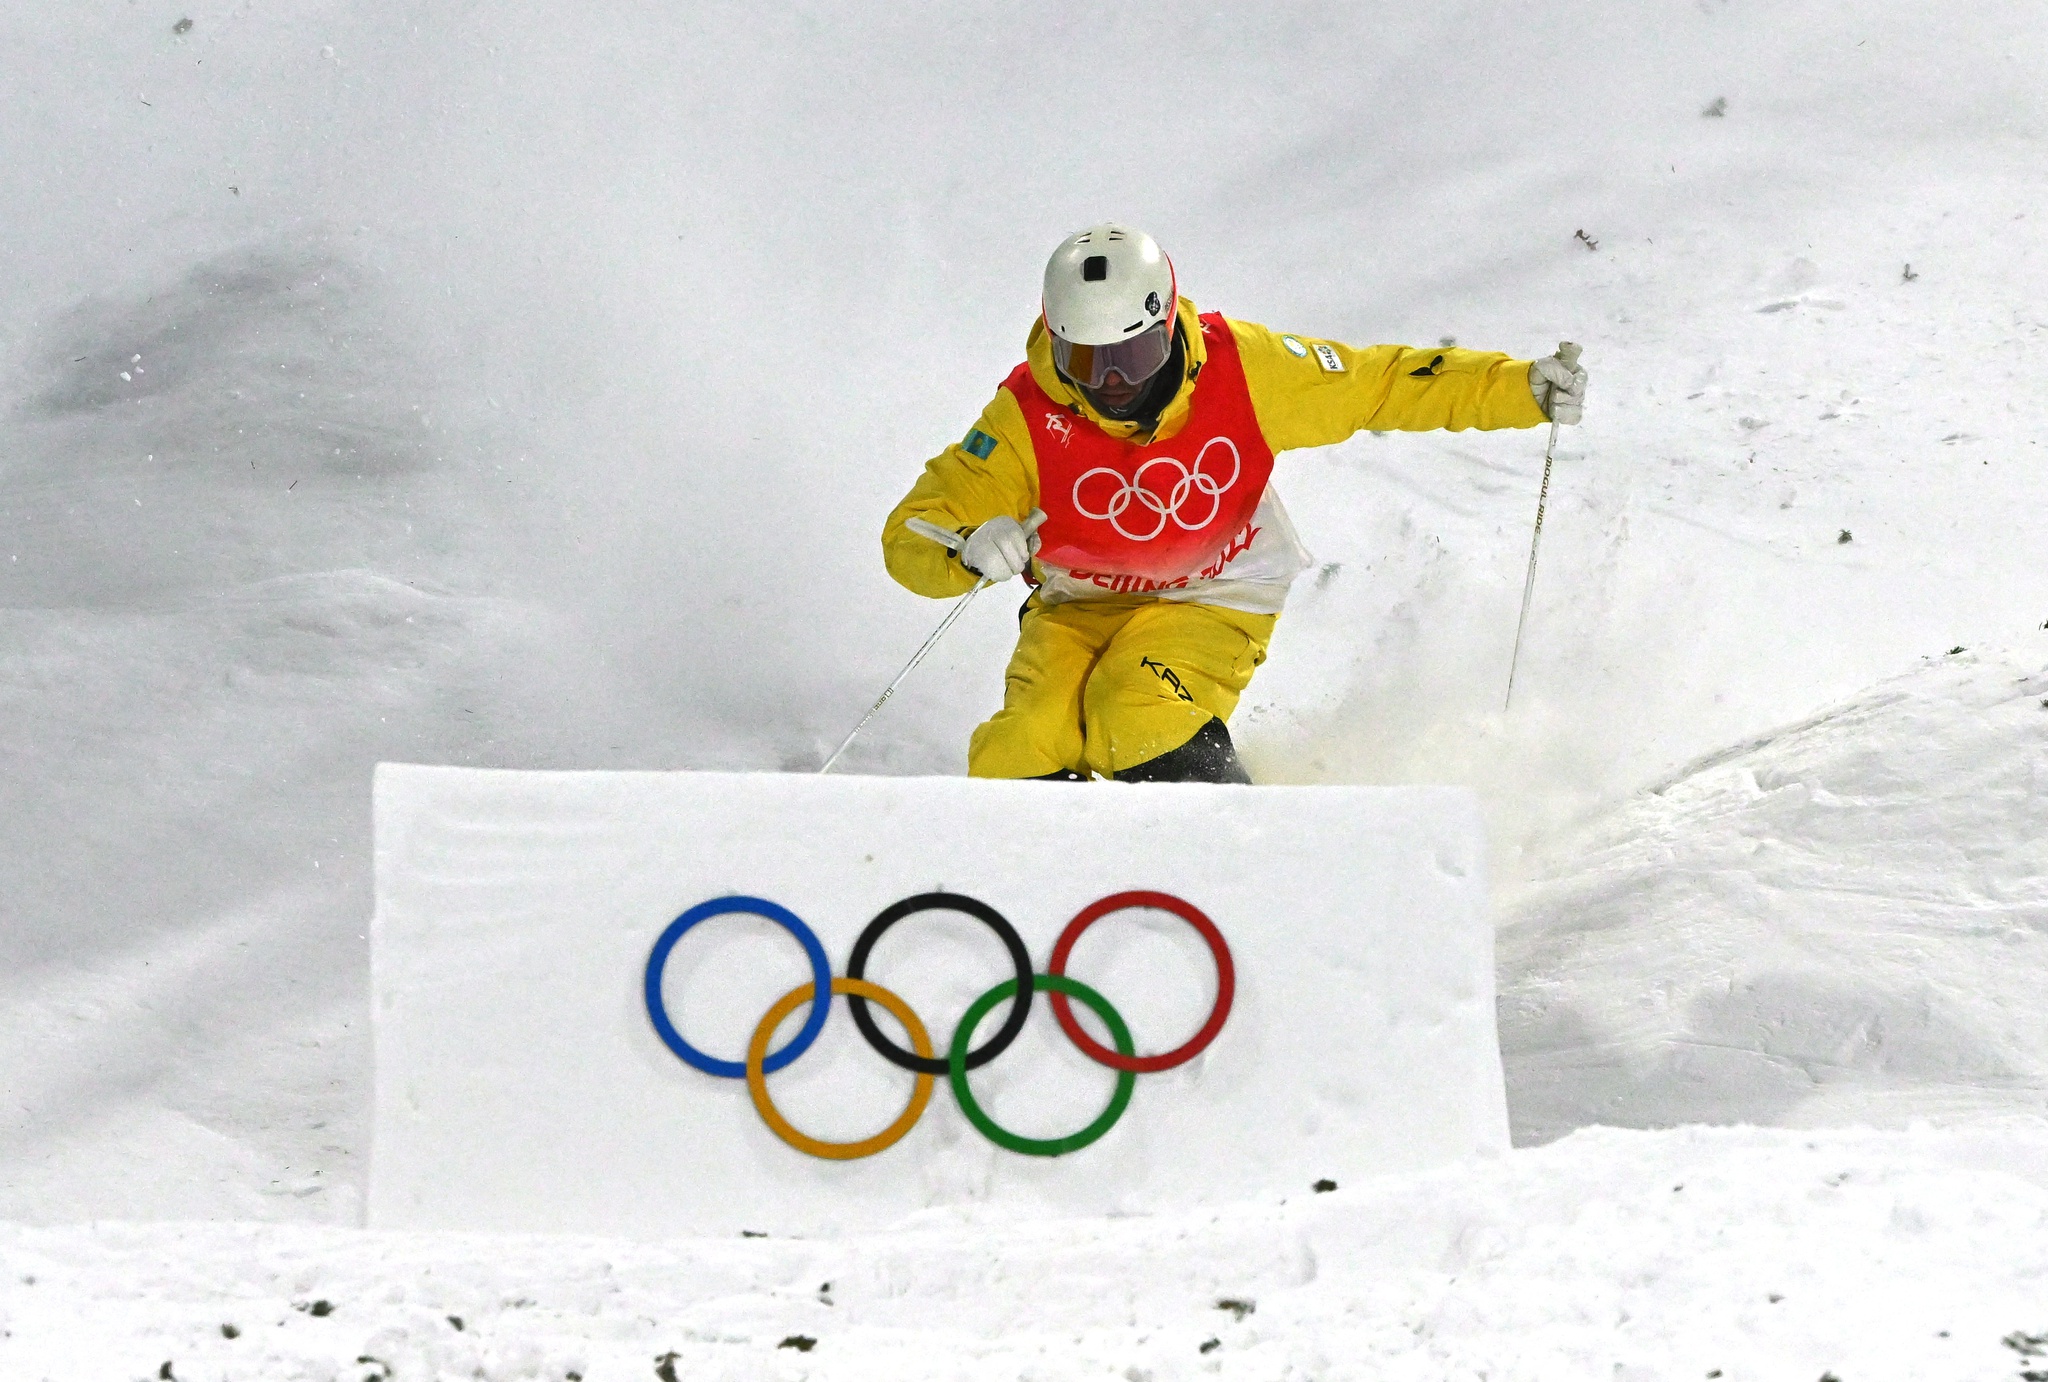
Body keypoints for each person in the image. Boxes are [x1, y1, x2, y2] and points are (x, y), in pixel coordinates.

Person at [881, 223, 1587, 783]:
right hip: (1078, 606)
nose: (1111, 389)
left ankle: (1244, 861)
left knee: (1134, 710)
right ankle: (1038, 917)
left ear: (1166, 329)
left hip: (1214, 594)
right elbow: (917, 528)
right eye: (1086, 365)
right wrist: (966, 544)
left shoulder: (1242, 369)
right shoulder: (1027, 414)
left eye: (1130, 361)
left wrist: (1518, 388)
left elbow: (1382, 383)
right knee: (1020, 748)